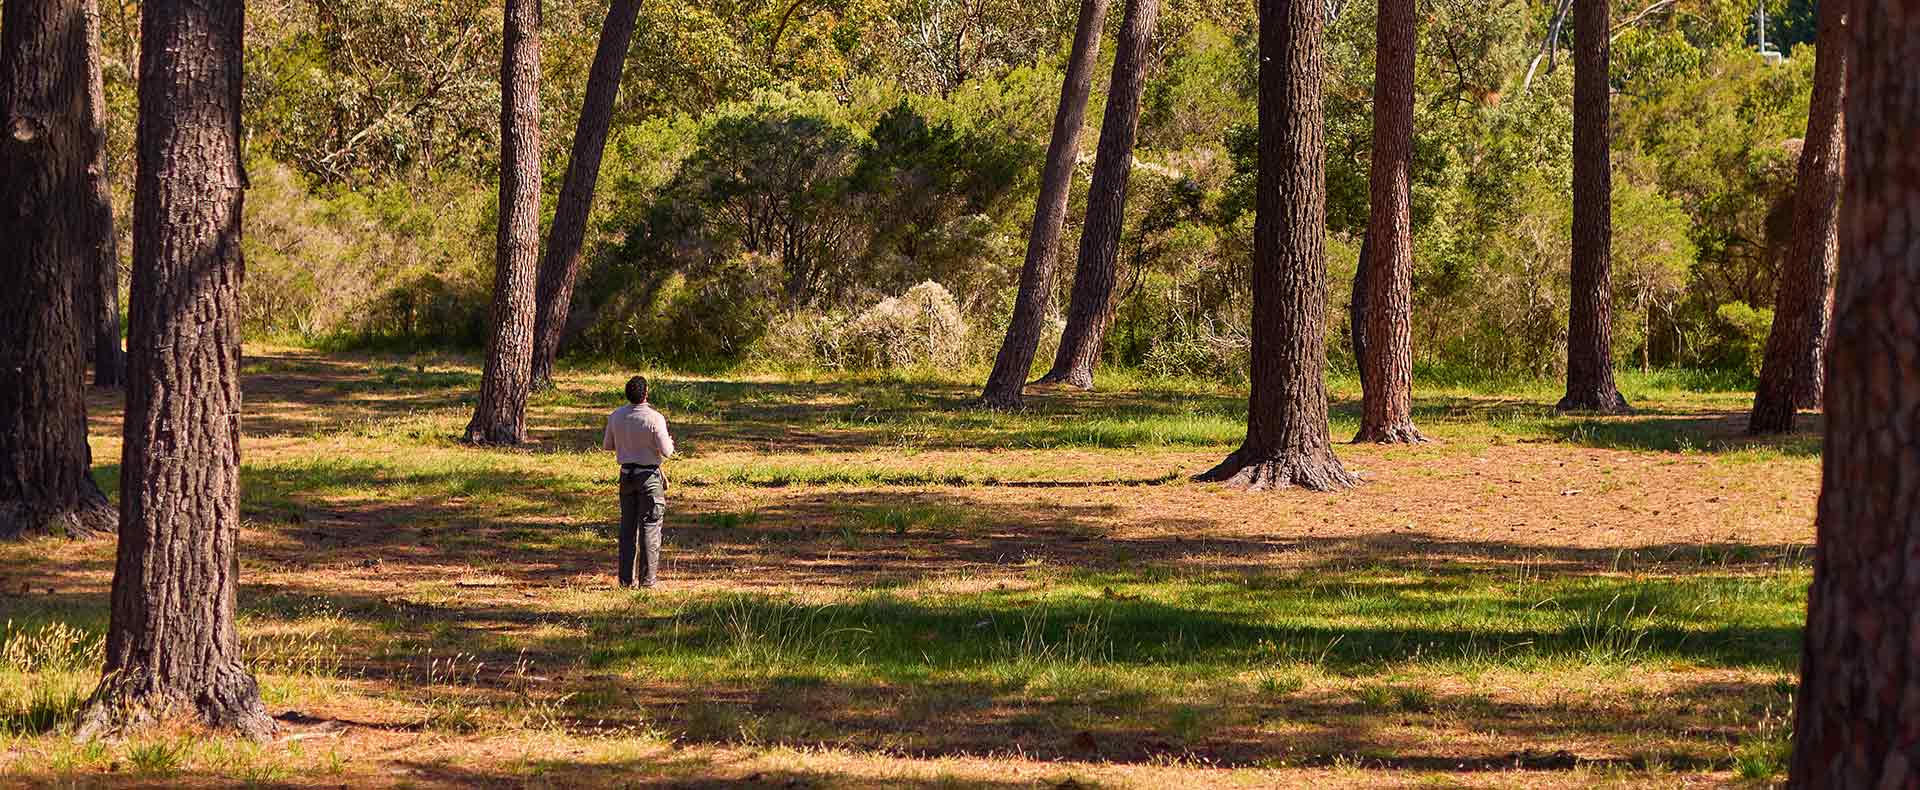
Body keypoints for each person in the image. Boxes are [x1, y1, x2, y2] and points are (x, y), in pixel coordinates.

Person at [602, 375, 675, 588]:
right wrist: (668, 442)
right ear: (646, 393)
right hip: (649, 477)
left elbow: (608, 445)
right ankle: (648, 581)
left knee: (627, 529)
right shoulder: (655, 418)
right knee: (650, 527)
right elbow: (667, 451)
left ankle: (625, 580)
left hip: (626, 476)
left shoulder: (616, 416)